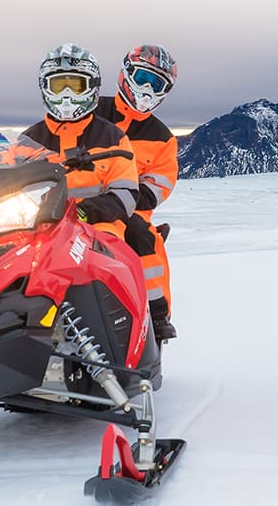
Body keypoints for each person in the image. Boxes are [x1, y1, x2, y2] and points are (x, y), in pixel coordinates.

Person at [94, 44, 180, 341]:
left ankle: (156, 315)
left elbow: (160, 183)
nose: (146, 89)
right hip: (74, 203)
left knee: (144, 238)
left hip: (127, 212)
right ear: (126, 73)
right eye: (143, 77)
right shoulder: (91, 112)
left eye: (156, 83)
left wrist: (122, 201)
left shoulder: (162, 138)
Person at [22, 44, 139, 241]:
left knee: (99, 264)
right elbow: (3, 186)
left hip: (99, 229)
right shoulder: (28, 140)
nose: (67, 94)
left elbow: (126, 195)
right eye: (58, 86)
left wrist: (84, 211)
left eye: (76, 86)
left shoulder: (113, 138)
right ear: (45, 86)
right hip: (35, 229)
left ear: (92, 86)